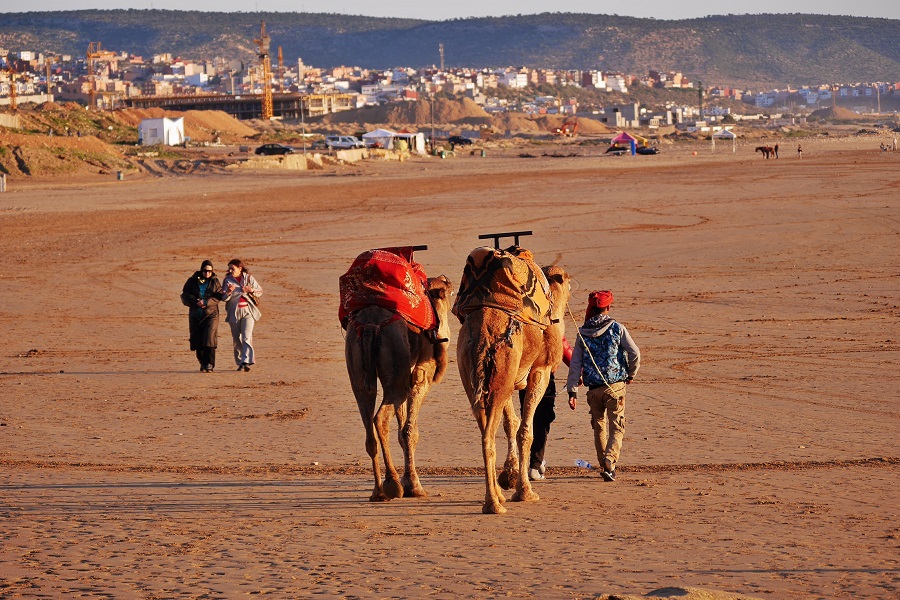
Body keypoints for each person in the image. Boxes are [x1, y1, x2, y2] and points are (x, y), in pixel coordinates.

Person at [566, 290, 641, 482]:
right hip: (615, 386)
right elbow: (635, 353)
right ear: (607, 307)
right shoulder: (617, 328)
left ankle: (604, 464)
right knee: (617, 426)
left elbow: (575, 363)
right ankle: (610, 461)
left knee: (599, 426)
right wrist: (631, 374)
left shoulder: (582, 332)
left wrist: (572, 390)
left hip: (593, 390)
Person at [518, 337, 573, 481]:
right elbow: (561, 344)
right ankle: (534, 466)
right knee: (542, 421)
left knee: (529, 420)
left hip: (524, 377)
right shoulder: (548, 326)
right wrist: (578, 369)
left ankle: (535, 462)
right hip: (543, 376)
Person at [221, 258, 263, 372]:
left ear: (240, 268)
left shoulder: (249, 278)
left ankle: (246, 361)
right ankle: (240, 361)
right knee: (236, 338)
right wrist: (229, 292)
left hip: (248, 311)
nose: (230, 271)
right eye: (229, 268)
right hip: (233, 312)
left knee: (246, 335)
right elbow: (223, 298)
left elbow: (260, 292)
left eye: (232, 268)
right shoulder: (227, 280)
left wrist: (251, 290)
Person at [180, 260, 222, 373]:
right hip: (196, 314)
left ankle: (210, 364)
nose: (207, 273)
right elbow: (185, 295)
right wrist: (195, 301)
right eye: (205, 271)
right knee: (197, 340)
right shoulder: (192, 281)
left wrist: (206, 302)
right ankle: (202, 362)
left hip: (211, 314)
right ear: (201, 270)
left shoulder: (215, 282)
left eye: (209, 271)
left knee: (209, 338)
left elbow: (218, 296)